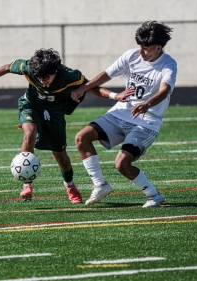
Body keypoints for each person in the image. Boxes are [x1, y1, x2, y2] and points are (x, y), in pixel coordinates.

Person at [0, 48, 133, 204]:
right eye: (39, 77)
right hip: (31, 105)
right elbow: (7, 67)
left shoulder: (69, 76)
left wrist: (114, 95)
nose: (42, 81)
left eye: (45, 77)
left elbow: (91, 87)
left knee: (60, 155)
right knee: (29, 132)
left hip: (55, 113)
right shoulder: (29, 67)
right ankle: (27, 183)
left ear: (55, 71)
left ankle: (69, 184)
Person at [71, 21, 177, 208]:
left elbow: (165, 89)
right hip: (120, 113)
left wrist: (147, 104)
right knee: (81, 138)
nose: (141, 52)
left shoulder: (168, 64)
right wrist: (84, 88)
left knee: (121, 164)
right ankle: (100, 185)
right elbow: (107, 74)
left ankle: (153, 196)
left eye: (145, 48)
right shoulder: (131, 55)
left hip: (146, 122)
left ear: (158, 47)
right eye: (139, 47)